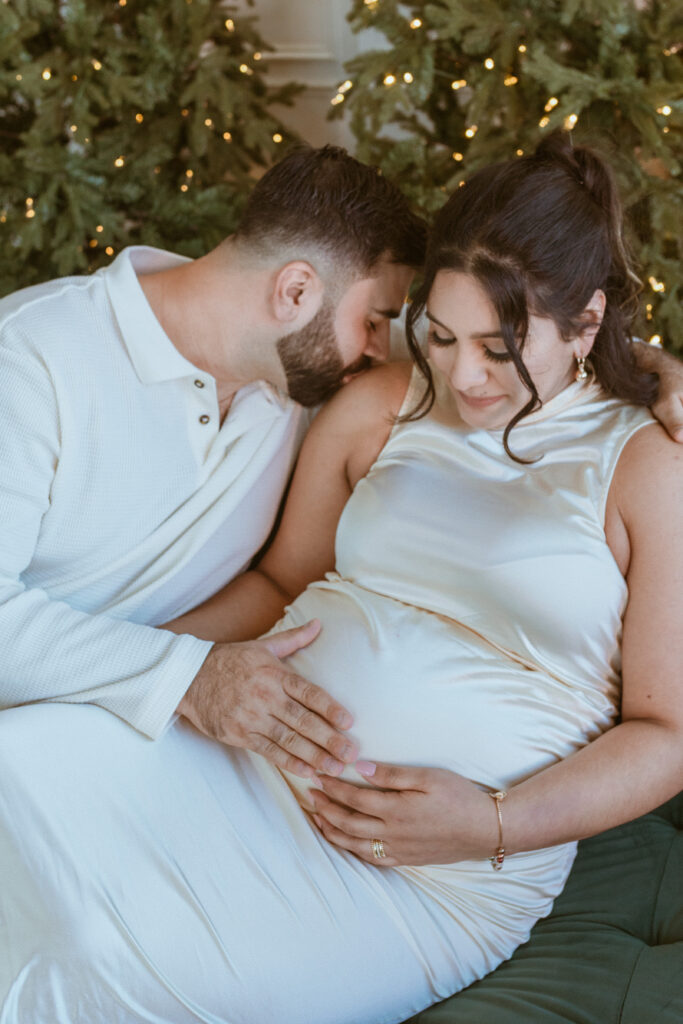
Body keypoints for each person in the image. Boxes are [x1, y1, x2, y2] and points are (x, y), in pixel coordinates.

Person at [1, 131, 682, 1024]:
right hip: (236, 756)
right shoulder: (379, 398)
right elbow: (279, 584)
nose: (464, 375)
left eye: (499, 346)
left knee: (110, 968)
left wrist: (492, 823)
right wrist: (169, 680)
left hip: (427, 869)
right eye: (437, 334)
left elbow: (666, 731)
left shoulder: (645, 466)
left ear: (586, 323)